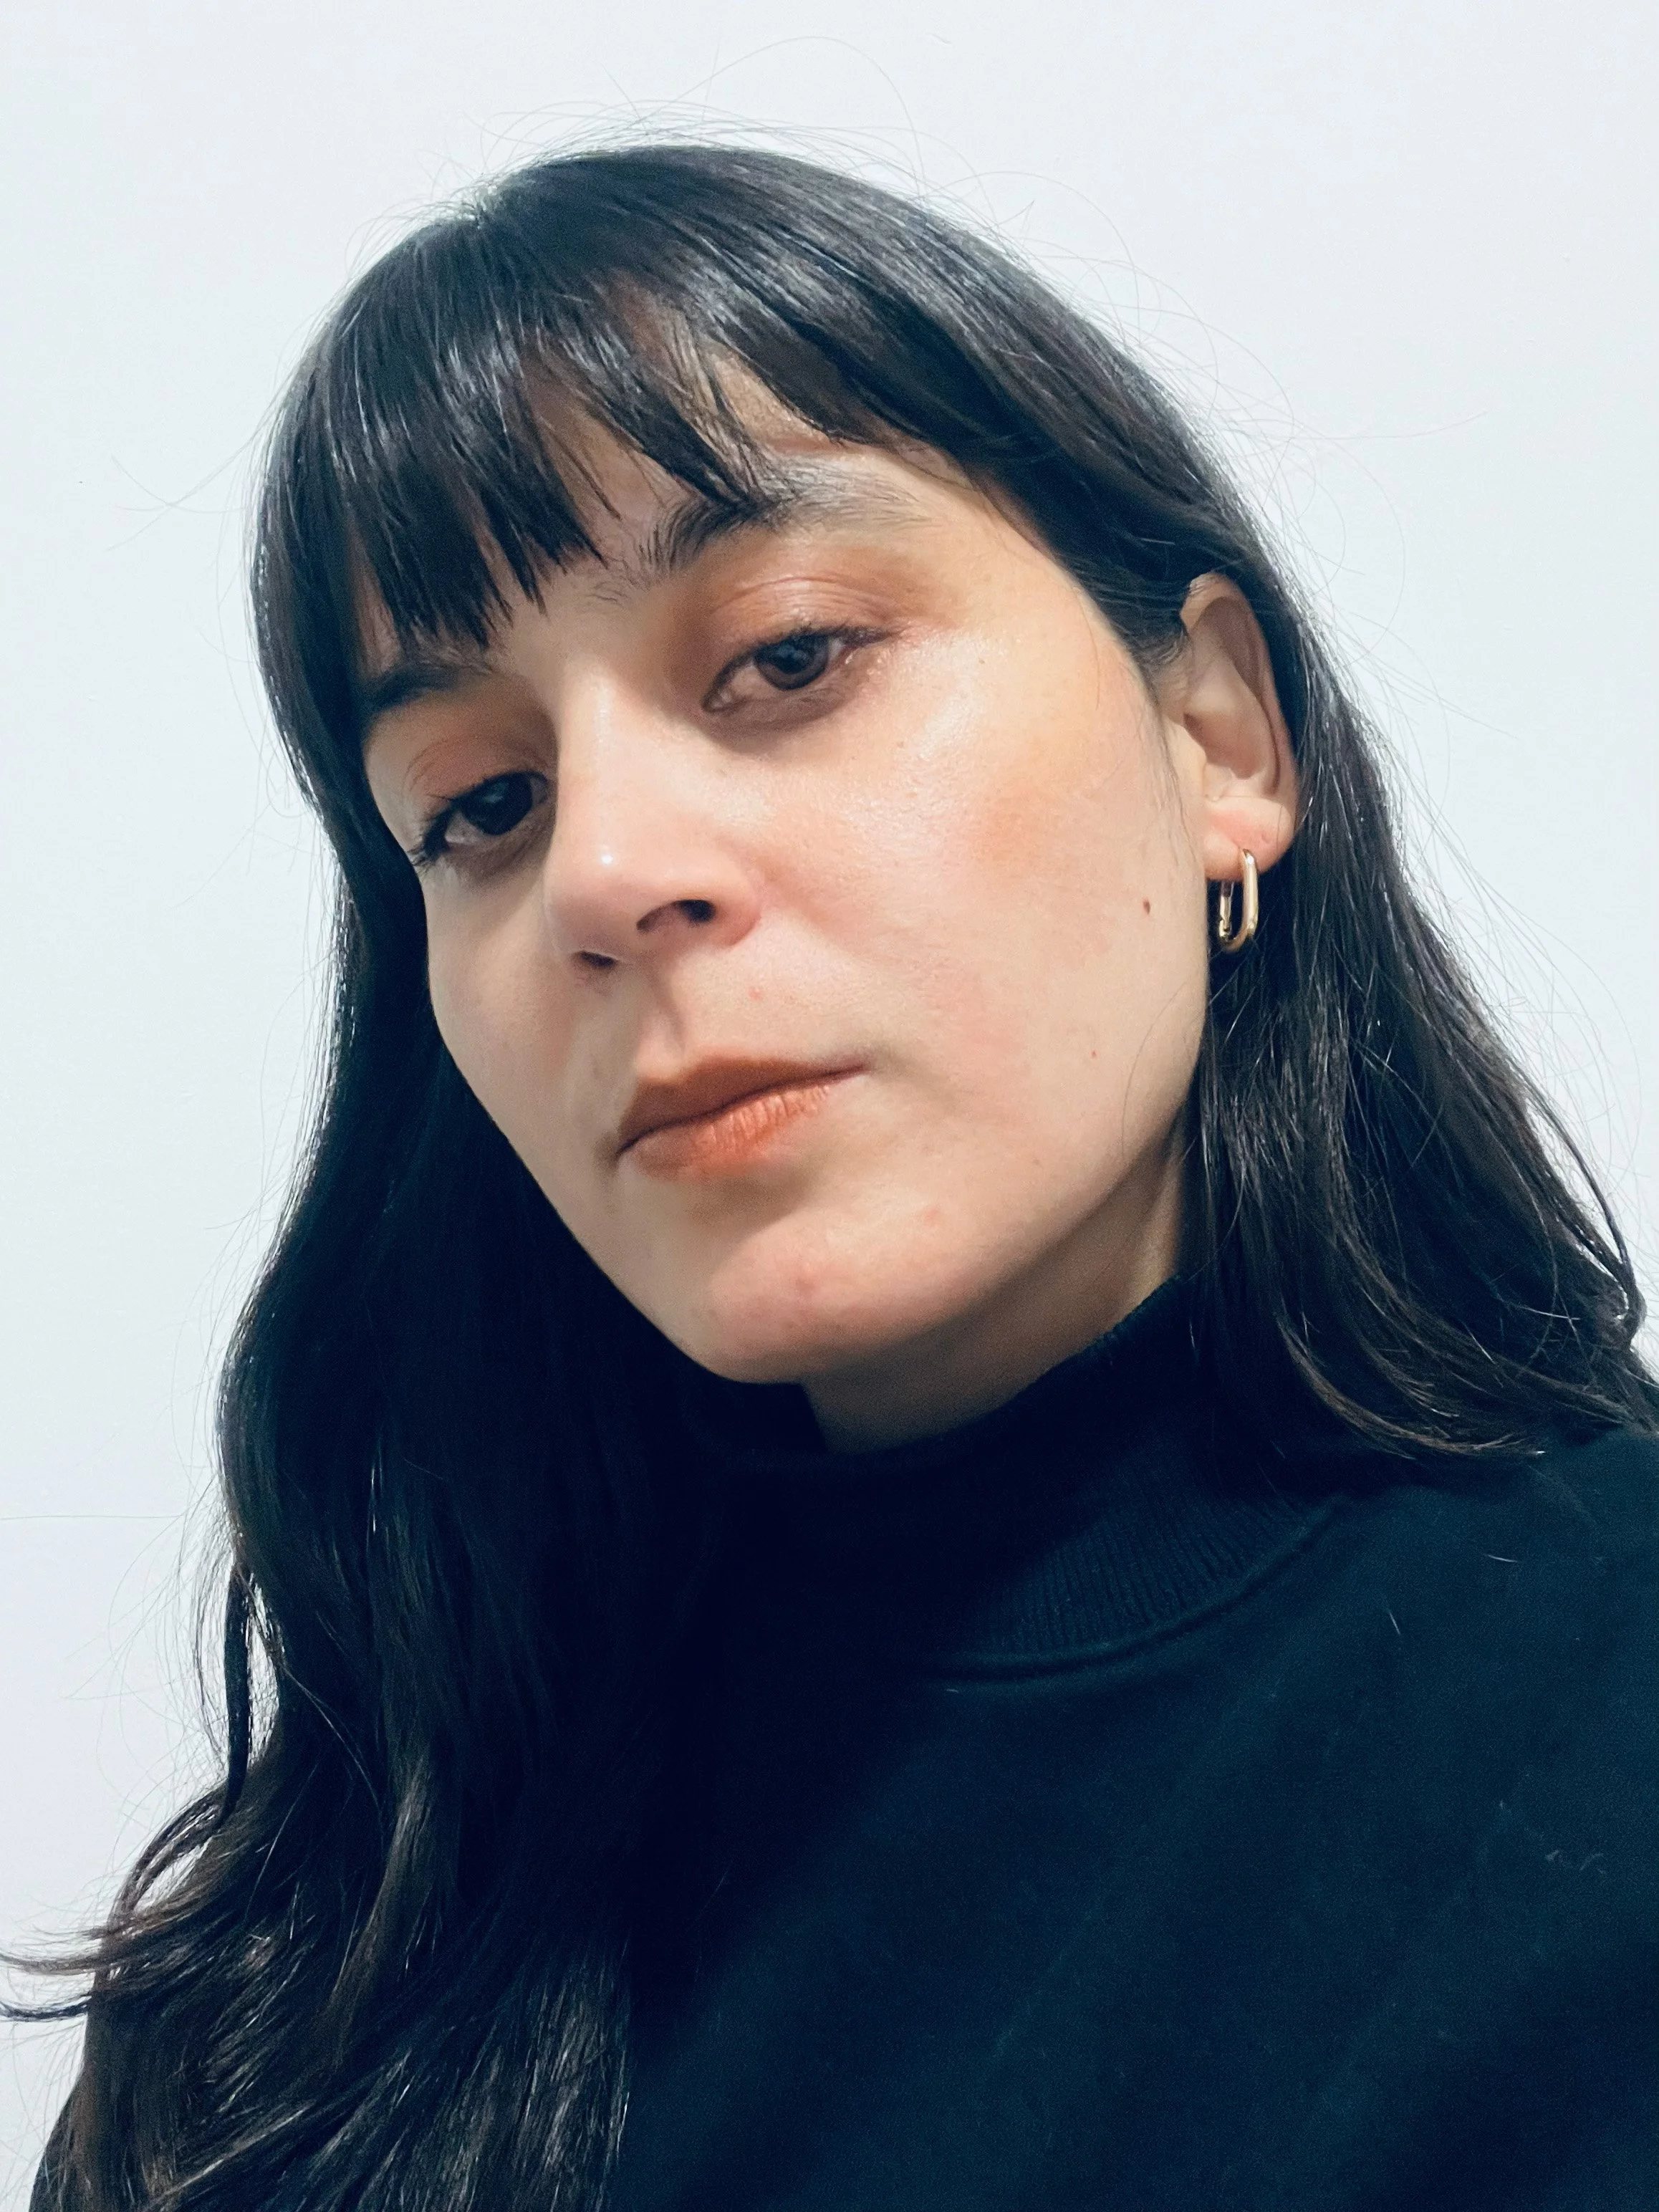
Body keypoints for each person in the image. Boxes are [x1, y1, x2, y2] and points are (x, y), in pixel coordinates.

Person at [21, 143, 1657, 2212]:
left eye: (786, 659)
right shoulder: (370, 1866)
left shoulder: (1599, 1731)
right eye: (484, 802)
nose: (607, 874)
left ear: (1219, 732)